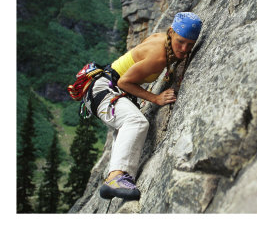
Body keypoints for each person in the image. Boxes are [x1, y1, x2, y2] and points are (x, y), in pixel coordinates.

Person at [83, 12, 202, 201]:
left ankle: (113, 177)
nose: (184, 49)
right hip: (107, 90)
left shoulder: (163, 39)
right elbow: (124, 82)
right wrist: (155, 98)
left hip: (103, 88)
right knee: (136, 122)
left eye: (190, 44)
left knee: (124, 129)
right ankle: (117, 178)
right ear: (171, 32)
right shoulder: (158, 57)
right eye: (181, 42)